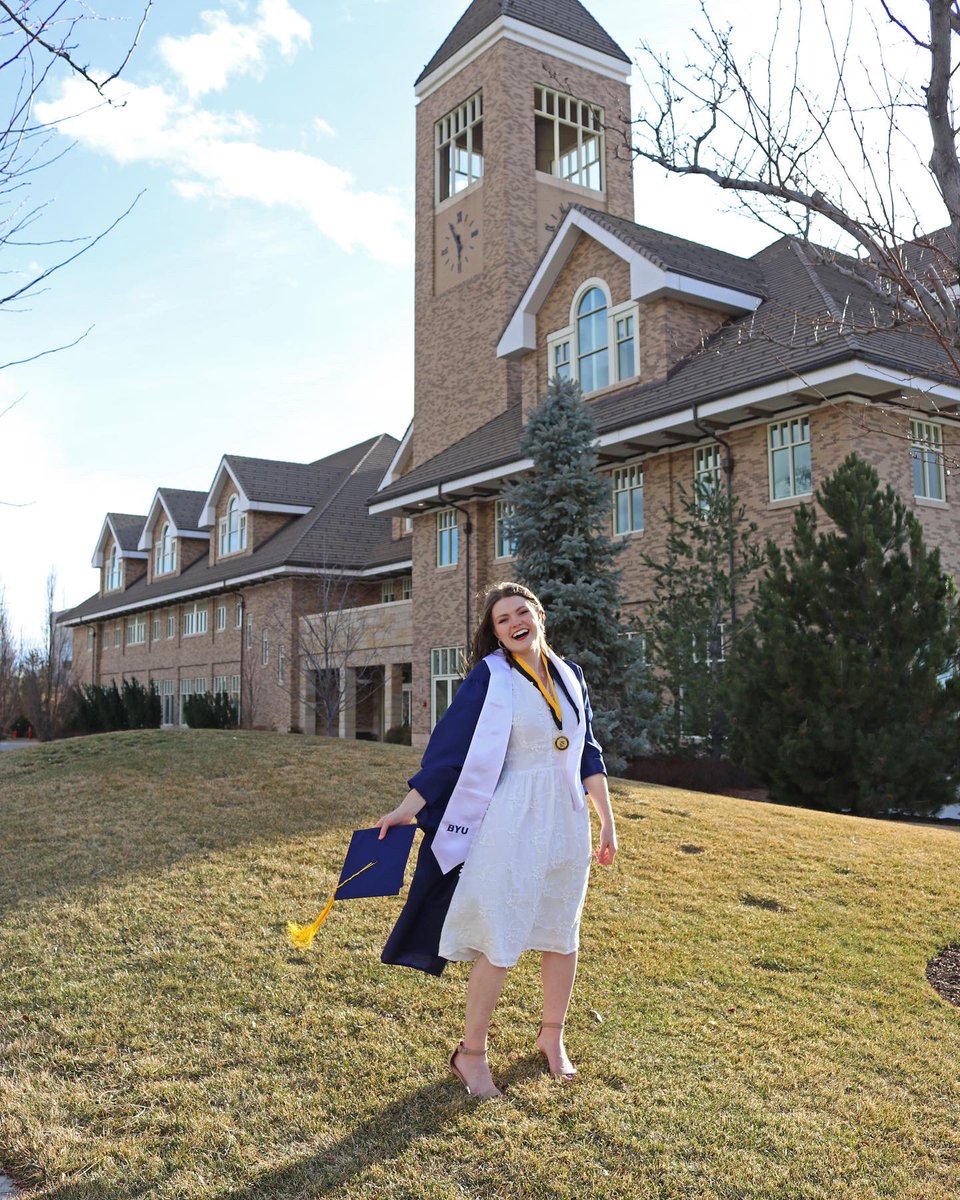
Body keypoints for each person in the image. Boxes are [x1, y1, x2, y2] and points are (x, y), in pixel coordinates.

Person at [376, 582, 617, 1099]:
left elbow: (587, 751)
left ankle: (552, 1036)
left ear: (538, 616)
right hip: (515, 818)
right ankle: (471, 1053)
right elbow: (450, 749)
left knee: (562, 930)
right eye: (502, 619)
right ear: (497, 633)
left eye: (520, 612)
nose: (514, 623)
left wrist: (606, 820)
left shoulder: (570, 675)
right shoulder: (492, 677)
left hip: (567, 820)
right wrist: (407, 807)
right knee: (502, 934)